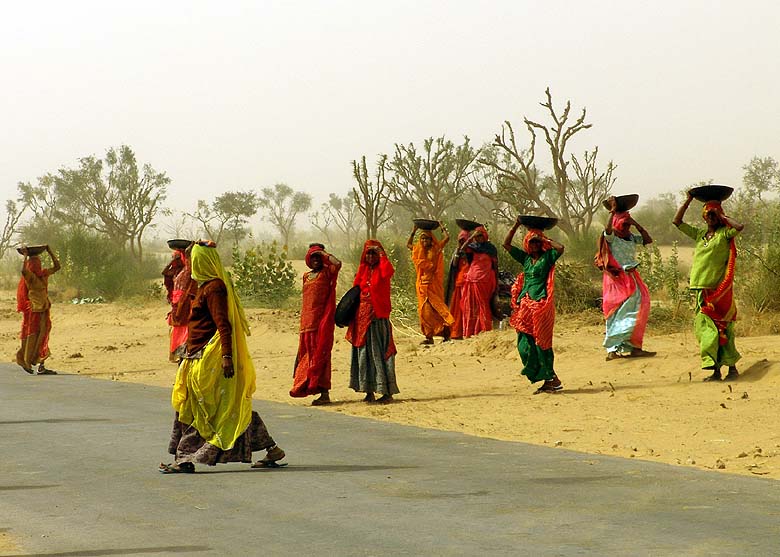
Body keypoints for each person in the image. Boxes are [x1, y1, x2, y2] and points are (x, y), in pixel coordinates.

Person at [160, 241, 285, 473]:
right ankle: (272, 448)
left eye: (194, 259)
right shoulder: (202, 286)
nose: (192, 264)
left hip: (210, 358)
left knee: (200, 407)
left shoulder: (214, 288)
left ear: (203, 261)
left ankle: (185, 459)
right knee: (226, 407)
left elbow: (223, 324)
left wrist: (226, 355)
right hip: (194, 355)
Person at [673, 192, 744, 381]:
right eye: (708, 214)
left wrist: (723, 216)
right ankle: (715, 370)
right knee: (705, 329)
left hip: (718, 291)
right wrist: (688, 200)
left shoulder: (724, 234)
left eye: (714, 214)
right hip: (700, 288)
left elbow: (739, 227)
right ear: (704, 217)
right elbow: (677, 221)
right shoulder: (699, 234)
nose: (711, 217)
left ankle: (732, 369)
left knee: (722, 328)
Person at [503, 220, 565, 394]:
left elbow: (560, 248)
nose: (535, 244)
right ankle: (546, 377)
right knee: (524, 345)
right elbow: (506, 244)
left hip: (541, 305)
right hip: (525, 306)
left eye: (537, 242)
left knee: (542, 343)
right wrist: (515, 225)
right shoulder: (526, 260)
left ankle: (552, 380)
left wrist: (544, 238)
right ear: (527, 244)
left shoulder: (548, 257)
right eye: (532, 241)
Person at [597, 197, 655, 360]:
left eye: (627, 224)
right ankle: (612, 349)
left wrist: (635, 224)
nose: (626, 227)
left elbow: (647, 239)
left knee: (639, 308)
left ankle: (635, 346)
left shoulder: (630, 237)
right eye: (624, 224)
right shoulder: (611, 237)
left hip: (631, 277)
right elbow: (607, 230)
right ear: (616, 223)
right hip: (616, 279)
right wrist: (613, 212)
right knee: (616, 311)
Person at [347, 240, 399, 403]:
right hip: (361, 319)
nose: (370, 256)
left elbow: (388, 272)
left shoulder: (383, 269)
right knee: (364, 355)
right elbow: (355, 291)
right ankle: (368, 390)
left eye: (373, 253)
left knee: (379, 353)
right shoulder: (363, 270)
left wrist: (382, 254)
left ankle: (386, 391)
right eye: (368, 253)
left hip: (377, 317)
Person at [290, 243, 342, 405]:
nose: (316, 260)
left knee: (321, 355)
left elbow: (337, 263)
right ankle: (307, 386)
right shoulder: (306, 276)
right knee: (306, 357)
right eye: (313, 257)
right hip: (306, 324)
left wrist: (323, 253)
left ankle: (324, 393)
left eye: (318, 257)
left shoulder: (328, 273)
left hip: (321, 323)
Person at [407, 223, 454, 345]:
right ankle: (429, 337)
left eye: (427, 238)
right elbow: (408, 245)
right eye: (422, 238)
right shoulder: (417, 249)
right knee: (424, 312)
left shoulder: (436, 249)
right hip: (422, 286)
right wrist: (413, 231)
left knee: (438, 310)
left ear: (431, 239)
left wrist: (442, 226)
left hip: (434, 285)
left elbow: (447, 238)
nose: (424, 240)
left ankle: (446, 334)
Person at [16, 246, 60, 375]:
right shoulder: (30, 277)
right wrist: (25, 256)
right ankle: (27, 361)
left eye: (38, 263)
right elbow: (23, 270)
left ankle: (41, 364)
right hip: (34, 310)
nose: (37, 265)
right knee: (32, 335)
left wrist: (50, 251)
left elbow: (57, 267)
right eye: (35, 263)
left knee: (43, 335)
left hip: (43, 308)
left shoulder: (43, 274)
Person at [460, 226, 498, 338]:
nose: (479, 238)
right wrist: (471, 236)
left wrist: (496, 282)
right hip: (471, 279)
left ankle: (485, 330)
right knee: (471, 306)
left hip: (485, 280)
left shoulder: (491, 249)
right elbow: (462, 248)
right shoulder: (473, 248)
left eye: (481, 235)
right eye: (477, 236)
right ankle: (470, 332)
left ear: (485, 236)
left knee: (483, 305)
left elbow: (495, 266)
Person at [162, 247, 194, 362]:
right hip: (179, 301)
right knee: (179, 328)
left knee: (180, 327)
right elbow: (165, 273)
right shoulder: (179, 271)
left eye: (176, 257)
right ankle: (176, 354)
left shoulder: (180, 271)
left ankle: (177, 354)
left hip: (181, 300)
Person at [445, 230, 470, 340]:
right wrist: (458, 250)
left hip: (469, 282)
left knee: (466, 308)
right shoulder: (458, 252)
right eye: (460, 240)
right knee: (457, 309)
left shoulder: (472, 251)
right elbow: (454, 264)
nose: (462, 242)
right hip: (459, 282)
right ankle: (456, 332)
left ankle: (467, 331)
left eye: (464, 240)